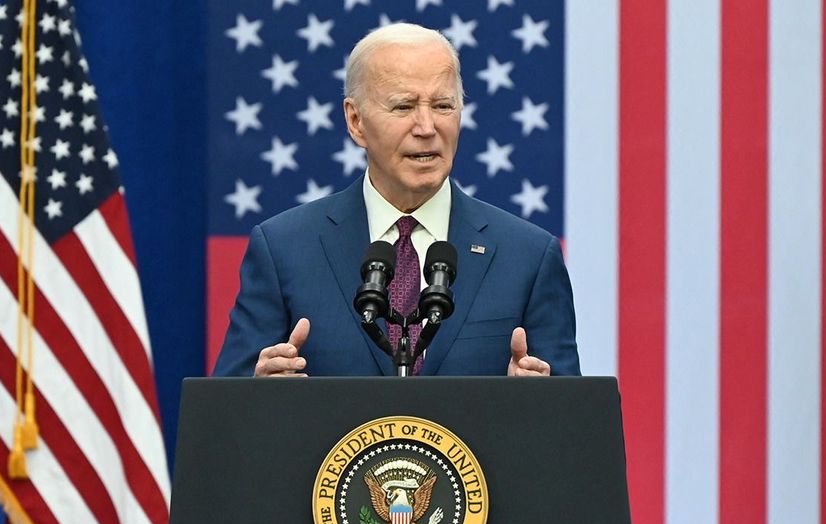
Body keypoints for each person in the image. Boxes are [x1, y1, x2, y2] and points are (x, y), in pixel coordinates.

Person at [212, 23, 579, 377]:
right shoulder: (284, 249)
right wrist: (259, 393)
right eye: (404, 107)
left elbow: (574, 422)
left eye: (442, 106)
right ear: (356, 121)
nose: (426, 127)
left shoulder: (529, 256)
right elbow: (224, 417)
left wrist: (535, 402)